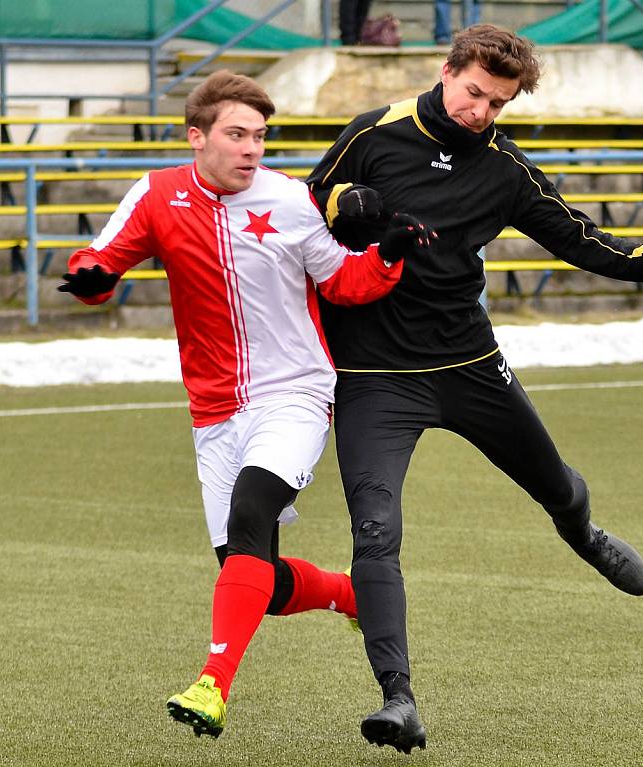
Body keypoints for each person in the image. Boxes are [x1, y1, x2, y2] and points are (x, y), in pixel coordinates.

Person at [307, 24, 643, 754]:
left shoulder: (507, 170)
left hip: (470, 364)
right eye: (474, 93)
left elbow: (586, 244)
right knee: (376, 532)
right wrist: (355, 208)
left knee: (556, 486)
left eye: (497, 104)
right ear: (446, 72)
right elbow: (310, 208)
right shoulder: (373, 132)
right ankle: (397, 697)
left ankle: (584, 534)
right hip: (374, 374)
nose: (480, 112)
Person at [58, 69, 434, 740]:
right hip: (213, 411)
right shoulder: (158, 194)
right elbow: (103, 259)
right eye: (237, 135)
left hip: (295, 392)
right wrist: (92, 276)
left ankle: (212, 685)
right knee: (258, 576)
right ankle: (346, 592)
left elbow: (344, 282)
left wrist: (389, 254)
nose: (252, 149)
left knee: (252, 512)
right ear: (196, 136)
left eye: (260, 136)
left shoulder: (290, 201)